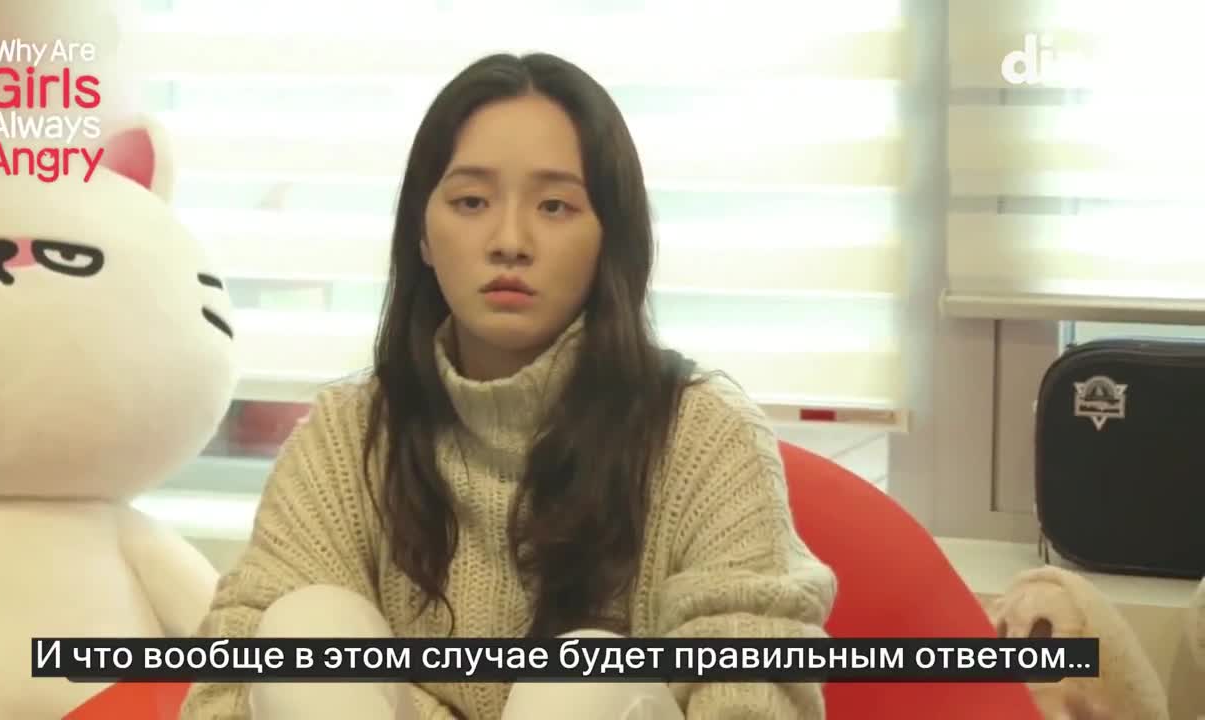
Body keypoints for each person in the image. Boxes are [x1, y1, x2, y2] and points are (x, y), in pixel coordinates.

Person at [179, 51, 836, 720]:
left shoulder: (704, 432)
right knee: (304, 629)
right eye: (472, 202)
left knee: (577, 680)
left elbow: (754, 686)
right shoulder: (349, 434)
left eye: (554, 205)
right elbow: (227, 686)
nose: (510, 241)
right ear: (422, 235)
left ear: (609, 239)